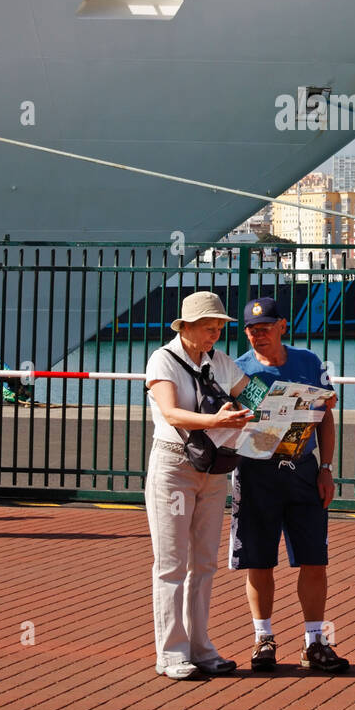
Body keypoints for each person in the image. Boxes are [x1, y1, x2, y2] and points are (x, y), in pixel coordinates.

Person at [230, 296, 350, 674]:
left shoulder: (309, 362)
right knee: (258, 560)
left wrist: (326, 467)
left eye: (265, 327)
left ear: (282, 325)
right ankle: (263, 639)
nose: (258, 335)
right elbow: (243, 427)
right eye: (251, 330)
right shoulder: (239, 371)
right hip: (255, 472)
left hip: (303, 472)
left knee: (314, 560)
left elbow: (325, 416)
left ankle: (315, 643)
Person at [144, 290, 252, 680]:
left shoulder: (221, 363)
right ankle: (171, 652)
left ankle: (201, 647)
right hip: (174, 466)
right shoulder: (162, 360)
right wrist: (217, 423)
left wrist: (300, 405)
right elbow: (171, 411)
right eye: (208, 329)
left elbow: (254, 396)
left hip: (214, 469)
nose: (214, 337)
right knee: (171, 564)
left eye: (219, 329)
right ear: (185, 327)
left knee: (205, 562)